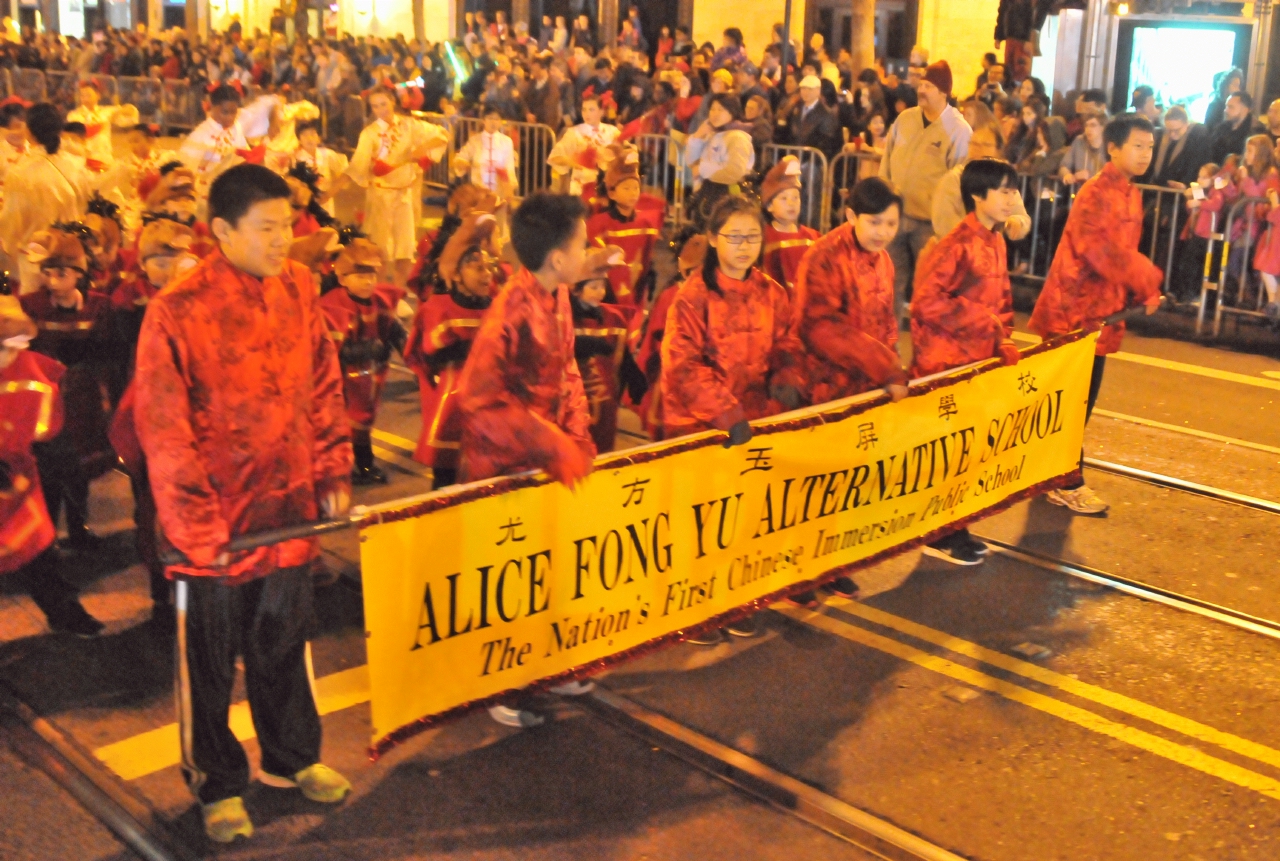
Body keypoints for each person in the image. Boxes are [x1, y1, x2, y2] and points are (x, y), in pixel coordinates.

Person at [134, 164, 354, 843]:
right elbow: (164, 428)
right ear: (222, 231)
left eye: (288, 224)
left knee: (285, 643)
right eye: (267, 228)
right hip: (214, 532)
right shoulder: (178, 308)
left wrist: (330, 466)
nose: (283, 239)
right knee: (208, 660)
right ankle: (218, 782)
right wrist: (196, 525)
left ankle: (293, 757)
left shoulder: (299, 287)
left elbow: (323, 382)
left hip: (287, 513)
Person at [456, 192, 614, 727]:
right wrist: (551, 444)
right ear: (556, 257)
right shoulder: (512, 308)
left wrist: (577, 432)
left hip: (545, 458)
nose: (588, 250)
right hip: (502, 466)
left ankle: (550, 664)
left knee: (550, 571)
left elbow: (566, 365)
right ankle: (503, 686)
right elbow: (477, 401)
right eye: (582, 242)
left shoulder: (558, 292)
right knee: (508, 584)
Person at [661, 195, 803, 641]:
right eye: (734, 237)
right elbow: (682, 365)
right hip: (701, 422)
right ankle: (692, 611)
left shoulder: (772, 293)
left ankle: (731, 601)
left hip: (751, 420)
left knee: (741, 518)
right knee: (701, 521)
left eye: (753, 237)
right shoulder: (693, 296)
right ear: (714, 240)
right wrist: (726, 412)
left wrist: (788, 379)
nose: (744, 246)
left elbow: (788, 344)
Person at [1028, 114, 1164, 515]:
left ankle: (1046, 475)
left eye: (1150, 147)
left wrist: (1142, 286)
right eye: (1137, 146)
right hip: (1073, 313)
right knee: (1072, 404)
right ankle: (1067, 481)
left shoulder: (1130, 193)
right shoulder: (1097, 192)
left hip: (1101, 312)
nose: (1145, 154)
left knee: (1077, 403)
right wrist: (1146, 278)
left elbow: (1121, 254)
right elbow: (1099, 251)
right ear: (1114, 148)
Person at [790, 176, 908, 600]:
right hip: (825, 386)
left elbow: (887, 318)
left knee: (847, 483)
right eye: (874, 223)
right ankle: (800, 571)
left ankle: (831, 563)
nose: (883, 233)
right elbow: (820, 328)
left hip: (866, 388)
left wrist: (891, 364)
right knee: (814, 485)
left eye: (891, 224)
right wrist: (885, 366)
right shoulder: (823, 257)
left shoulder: (884, 259)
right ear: (851, 216)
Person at [910, 159, 1023, 563]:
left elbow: (1003, 299)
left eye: (1014, 191)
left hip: (976, 362)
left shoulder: (995, 241)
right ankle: (939, 531)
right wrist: (983, 322)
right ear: (978, 196)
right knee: (949, 454)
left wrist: (1002, 339)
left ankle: (958, 526)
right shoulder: (957, 243)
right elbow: (925, 303)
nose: (1013, 199)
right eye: (1005, 191)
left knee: (970, 452)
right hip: (946, 365)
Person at [0, 295, 104, 635]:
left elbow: (54, 425)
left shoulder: (34, 369)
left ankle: (64, 613)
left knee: (39, 555)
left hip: (21, 486)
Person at [20, 226, 116, 552]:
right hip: (46, 402)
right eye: (48, 273)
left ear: (78, 273)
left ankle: (79, 529)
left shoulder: (98, 306)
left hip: (82, 400)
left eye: (61, 273)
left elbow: (109, 351)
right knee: (48, 470)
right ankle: (46, 535)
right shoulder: (31, 306)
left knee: (80, 467)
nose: (53, 281)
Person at [406, 213, 499, 488]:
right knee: (446, 479)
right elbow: (432, 355)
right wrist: (477, 348)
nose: (486, 274)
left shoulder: (498, 304)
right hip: (454, 401)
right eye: (476, 267)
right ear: (455, 274)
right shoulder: (439, 308)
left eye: (488, 267)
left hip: (492, 401)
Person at [880, 60, 972, 318]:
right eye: (920, 84)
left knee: (929, 288)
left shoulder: (959, 130)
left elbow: (959, 180)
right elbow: (887, 158)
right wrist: (884, 198)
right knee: (889, 285)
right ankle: (888, 348)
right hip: (897, 217)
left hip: (930, 224)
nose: (921, 90)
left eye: (928, 86)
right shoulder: (905, 119)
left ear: (944, 92)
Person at [319, 237, 407, 486]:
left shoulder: (379, 300)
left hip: (367, 375)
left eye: (371, 275)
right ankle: (351, 466)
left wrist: (407, 347)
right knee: (345, 422)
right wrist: (368, 349)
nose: (368, 282)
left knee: (364, 420)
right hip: (340, 379)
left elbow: (393, 329)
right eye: (360, 276)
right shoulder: (332, 306)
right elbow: (332, 350)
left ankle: (363, 463)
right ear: (342, 278)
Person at [347, 86, 449, 286]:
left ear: (392, 101)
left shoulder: (409, 125)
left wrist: (422, 149)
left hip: (404, 195)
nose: (380, 109)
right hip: (380, 197)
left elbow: (443, 135)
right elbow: (356, 167)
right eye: (375, 106)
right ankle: (383, 293)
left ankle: (399, 293)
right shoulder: (369, 134)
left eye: (383, 104)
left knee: (404, 251)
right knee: (382, 253)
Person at [0, 103, 91, 295]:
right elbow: (85, 207)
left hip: (35, 262)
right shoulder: (76, 165)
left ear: (30, 131)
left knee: (35, 310)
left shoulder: (20, 174)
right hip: (72, 257)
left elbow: (11, 226)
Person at [570, 270, 646, 454]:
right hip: (575, 402)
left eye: (602, 286)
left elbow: (622, 355)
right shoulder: (564, 318)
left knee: (604, 451)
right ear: (576, 290)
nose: (600, 292)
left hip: (606, 403)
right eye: (593, 287)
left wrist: (633, 375)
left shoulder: (614, 318)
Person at [586, 145, 662, 308]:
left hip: (635, 293)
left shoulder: (645, 223)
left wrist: (650, 273)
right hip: (608, 293)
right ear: (612, 193)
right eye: (626, 188)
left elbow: (647, 256)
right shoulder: (600, 225)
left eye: (636, 188)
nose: (633, 193)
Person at [932, 117, 1030, 241]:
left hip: (989, 249)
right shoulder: (955, 178)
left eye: (986, 145)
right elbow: (944, 221)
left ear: (998, 149)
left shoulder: (1003, 179)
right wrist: (974, 241)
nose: (978, 149)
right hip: (959, 249)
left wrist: (1016, 222)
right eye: (974, 144)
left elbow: (1020, 215)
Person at [684, 93, 756, 229]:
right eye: (712, 109)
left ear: (732, 112)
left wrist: (702, 170)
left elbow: (735, 171)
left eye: (721, 109)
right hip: (707, 194)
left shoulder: (738, 137)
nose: (715, 113)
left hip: (726, 196)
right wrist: (698, 135)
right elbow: (691, 161)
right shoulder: (713, 133)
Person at [177, 84, 258, 196]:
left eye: (234, 112)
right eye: (225, 112)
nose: (230, 117)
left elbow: (243, 154)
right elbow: (187, 166)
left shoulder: (236, 127)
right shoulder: (201, 133)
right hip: (207, 190)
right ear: (212, 107)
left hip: (233, 189)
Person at [760, 156, 819, 293]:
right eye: (784, 198)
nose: (791, 203)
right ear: (769, 206)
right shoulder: (763, 238)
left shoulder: (813, 237)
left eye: (795, 198)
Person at [547, 94, 621, 196]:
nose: (587, 113)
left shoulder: (612, 132)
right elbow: (555, 157)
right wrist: (575, 161)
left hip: (608, 186)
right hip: (581, 185)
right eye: (584, 109)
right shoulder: (574, 132)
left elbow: (625, 154)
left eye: (591, 110)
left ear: (601, 112)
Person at [66, 78, 138, 173]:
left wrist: (119, 112)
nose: (85, 99)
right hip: (82, 163)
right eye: (82, 95)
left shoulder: (106, 112)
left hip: (103, 160)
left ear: (98, 96)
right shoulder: (74, 115)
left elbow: (132, 115)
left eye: (88, 95)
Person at [451, 105, 518, 200]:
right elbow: (460, 158)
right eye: (490, 118)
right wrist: (463, 164)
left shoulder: (507, 142)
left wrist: (509, 190)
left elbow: (509, 167)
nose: (493, 122)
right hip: (479, 193)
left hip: (499, 194)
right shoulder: (474, 141)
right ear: (483, 120)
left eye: (497, 119)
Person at [293, 119, 350, 219]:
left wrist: (332, 189)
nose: (309, 138)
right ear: (299, 140)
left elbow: (345, 170)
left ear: (318, 138)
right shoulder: (296, 159)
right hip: (307, 206)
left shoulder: (327, 154)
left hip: (326, 203)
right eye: (304, 135)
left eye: (312, 134)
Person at [786, 74, 842, 160]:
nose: (806, 92)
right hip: (794, 157)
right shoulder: (795, 109)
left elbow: (825, 142)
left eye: (810, 89)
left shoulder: (826, 114)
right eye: (803, 88)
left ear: (818, 91)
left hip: (813, 161)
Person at [1209, 91, 1265, 164]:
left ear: (1245, 109)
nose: (1225, 110)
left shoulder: (1256, 132)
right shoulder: (1221, 127)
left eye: (1231, 107)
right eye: (1226, 106)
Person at [1059, 111, 1108, 187]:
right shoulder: (1079, 141)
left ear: (1103, 127)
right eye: (1086, 126)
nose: (1088, 129)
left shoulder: (1109, 145)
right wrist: (1068, 175)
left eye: (1093, 125)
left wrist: (1091, 176)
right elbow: (1064, 166)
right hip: (1081, 193)